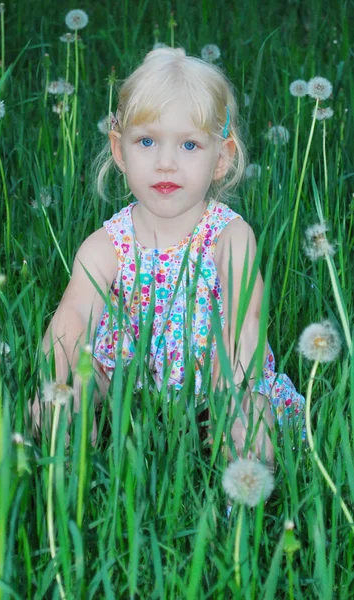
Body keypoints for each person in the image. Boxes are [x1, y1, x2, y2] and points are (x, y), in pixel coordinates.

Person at [31, 47, 305, 460]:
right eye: (147, 141)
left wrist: (229, 390)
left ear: (221, 158)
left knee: (253, 422)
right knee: (60, 404)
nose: (165, 163)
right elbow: (73, 317)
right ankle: (68, 483)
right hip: (127, 372)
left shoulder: (229, 235)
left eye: (189, 146)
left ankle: (241, 509)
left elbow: (245, 312)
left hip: (224, 373)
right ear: (120, 150)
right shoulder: (107, 243)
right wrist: (59, 384)